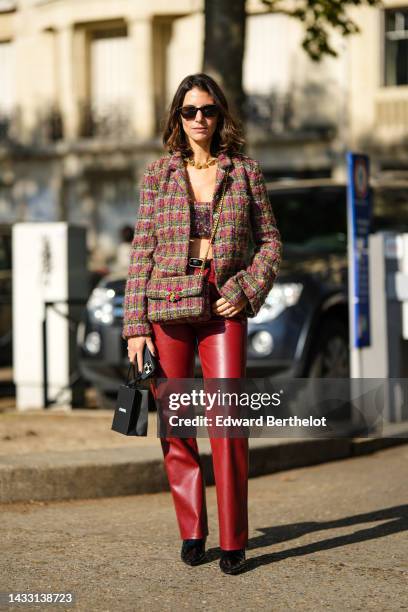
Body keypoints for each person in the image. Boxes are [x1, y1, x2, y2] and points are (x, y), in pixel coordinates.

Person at [122, 73, 282, 575]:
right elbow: (142, 251)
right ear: (177, 118)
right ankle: (193, 530)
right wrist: (135, 327)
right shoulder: (158, 175)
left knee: (228, 423)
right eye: (189, 111)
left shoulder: (246, 172)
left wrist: (246, 290)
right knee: (177, 424)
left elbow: (272, 243)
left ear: (220, 116)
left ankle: (234, 538)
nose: (199, 120)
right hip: (166, 306)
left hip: (222, 306)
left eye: (207, 110)